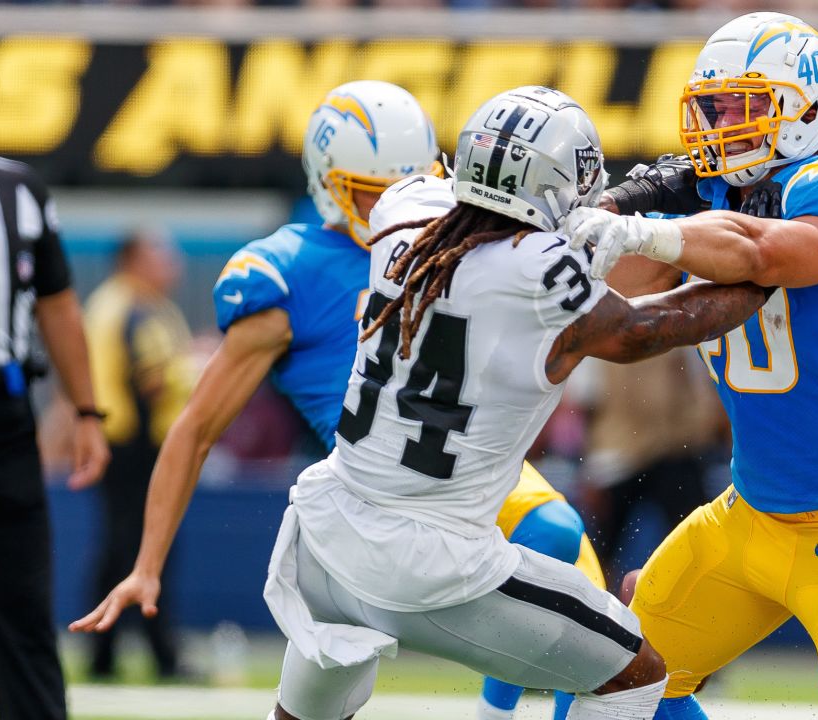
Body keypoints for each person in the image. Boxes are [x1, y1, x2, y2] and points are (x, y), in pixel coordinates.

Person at [69, 80, 602, 720]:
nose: (397, 204)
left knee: (571, 562)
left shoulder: (472, 240)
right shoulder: (288, 273)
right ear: (330, 184)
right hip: (374, 489)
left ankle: (500, 713)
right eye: (374, 192)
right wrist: (146, 564)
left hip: (470, 455)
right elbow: (196, 426)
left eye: (418, 180)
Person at [276, 85, 765, 720]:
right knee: (635, 676)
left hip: (324, 529)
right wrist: (766, 270)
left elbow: (519, 260)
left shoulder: (405, 209)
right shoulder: (537, 271)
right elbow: (644, 327)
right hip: (429, 562)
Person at [563, 13, 818, 718]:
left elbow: (764, 253)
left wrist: (645, 224)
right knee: (612, 681)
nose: (716, 124)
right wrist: (589, 223)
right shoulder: (717, 201)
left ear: (805, 109)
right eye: (711, 106)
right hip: (748, 516)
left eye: (739, 105)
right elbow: (627, 280)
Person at [0, 156, 110, 720]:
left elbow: (57, 304)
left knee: (23, 609)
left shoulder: (18, 190)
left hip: (4, 414)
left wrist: (87, 412)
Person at [83, 228, 196, 679]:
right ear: (134, 259)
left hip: (138, 443)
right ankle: (157, 654)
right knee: (140, 548)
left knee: (124, 548)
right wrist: (201, 370)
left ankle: (106, 653)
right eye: (161, 255)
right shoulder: (125, 306)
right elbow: (147, 380)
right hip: (133, 445)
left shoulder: (144, 305)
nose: (173, 264)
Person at [579, 349, 723, 585]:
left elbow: (703, 392)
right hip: (616, 460)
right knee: (598, 558)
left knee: (696, 547)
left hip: (676, 450)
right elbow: (587, 406)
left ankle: (694, 604)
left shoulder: (683, 328)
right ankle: (596, 612)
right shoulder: (597, 340)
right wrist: (589, 471)